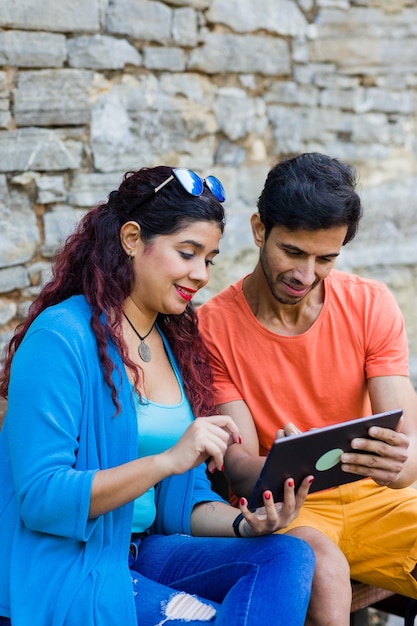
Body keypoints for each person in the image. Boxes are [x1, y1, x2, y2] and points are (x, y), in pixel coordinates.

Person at [0, 166, 316, 626]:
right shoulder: (60, 339)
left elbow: (185, 498)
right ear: (132, 239)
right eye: (187, 253)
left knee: (286, 555)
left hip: (141, 551)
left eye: (209, 259)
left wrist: (246, 523)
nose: (201, 274)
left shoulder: (173, 343)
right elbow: (42, 498)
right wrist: (167, 459)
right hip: (72, 563)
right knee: (207, 619)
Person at [197, 152, 417, 626]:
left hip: (376, 498)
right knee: (324, 571)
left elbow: (409, 453)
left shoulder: (371, 303)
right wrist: (291, 459)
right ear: (260, 231)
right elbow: (238, 470)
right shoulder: (212, 327)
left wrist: (397, 465)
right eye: (293, 252)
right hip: (288, 510)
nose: (306, 275)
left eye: (326, 259)